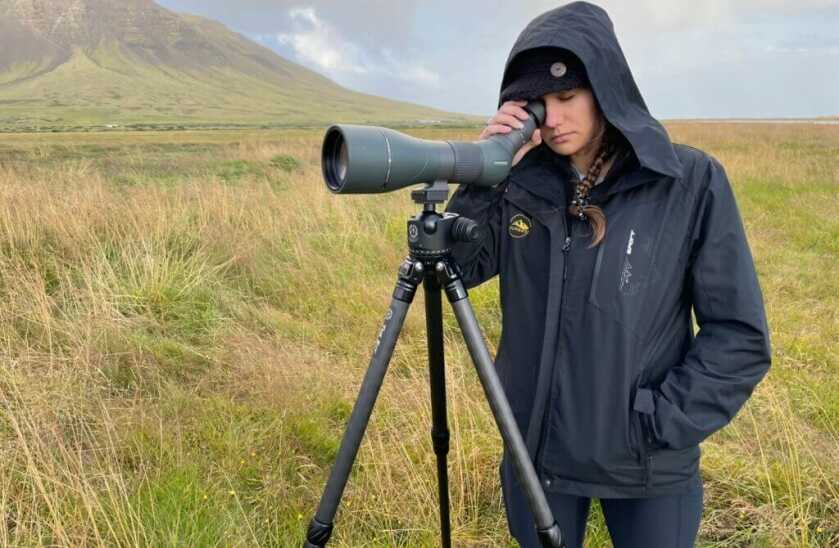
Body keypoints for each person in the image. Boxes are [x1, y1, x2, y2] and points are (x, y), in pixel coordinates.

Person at [444, 2, 772, 547]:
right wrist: (487, 172)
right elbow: (456, 268)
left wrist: (658, 424)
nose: (553, 119)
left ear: (606, 88)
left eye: (568, 97)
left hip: (647, 469)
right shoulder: (520, 184)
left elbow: (739, 334)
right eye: (538, 106)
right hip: (536, 461)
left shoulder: (686, 181)